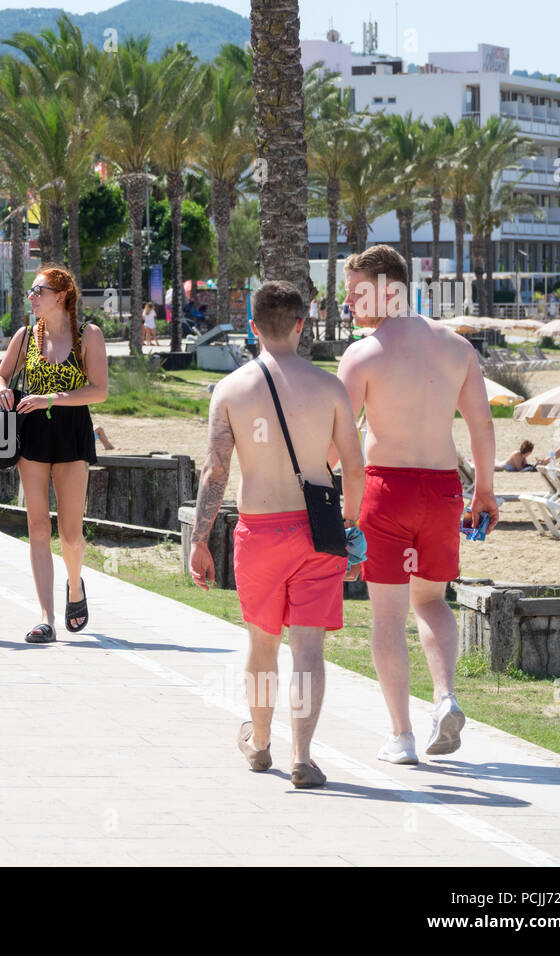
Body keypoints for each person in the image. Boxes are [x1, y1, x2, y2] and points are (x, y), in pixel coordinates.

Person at [189, 281, 364, 789]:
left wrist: (198, 540)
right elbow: (355, 470)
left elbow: (215, 472)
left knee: (262, 643)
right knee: (308, 647)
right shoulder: (329, 387)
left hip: (259, 532)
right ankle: (303, 757)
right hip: (317, 531)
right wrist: (351, 530)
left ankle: (260, 743)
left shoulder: (230, 390)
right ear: (301, 325)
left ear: (251, 327)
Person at [337, 244, 498, 765]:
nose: (349, 301)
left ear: (389, 288)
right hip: (444, 489)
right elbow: (481, 424)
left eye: (357, 290)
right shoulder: (457, 348)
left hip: (387, 488)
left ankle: (402, 737)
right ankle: (446, 696)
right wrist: (486, 491)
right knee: (431, 600)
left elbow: (339, 441)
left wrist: (335, 502)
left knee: (387, 614)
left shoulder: (362, 354)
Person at [0, 266, 108, 643]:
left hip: (72, 433)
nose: (31, 296)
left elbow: (99, 390)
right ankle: (46, 618)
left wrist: (51, 399)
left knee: (71, 535)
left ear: (60, 295)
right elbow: (0, 375)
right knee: (38, 527)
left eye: (38, 290)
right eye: (30, 290)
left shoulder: (87, 335)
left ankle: (75, 584)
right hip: (33, 435)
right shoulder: (26, 335)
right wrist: (1, 391)